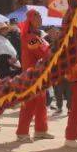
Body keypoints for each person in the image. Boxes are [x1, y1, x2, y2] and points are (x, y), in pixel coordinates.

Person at [14, 9, 52, 142]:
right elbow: (44, 53)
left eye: (41, 17)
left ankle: (41, 130)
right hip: (30, 76)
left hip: (39, 75)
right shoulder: (30, 37)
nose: (40, 19)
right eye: (37, 17)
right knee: (29, 104)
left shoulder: (37, 36)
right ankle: (22, 132)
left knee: (41, 103)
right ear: (30, 20)